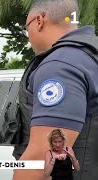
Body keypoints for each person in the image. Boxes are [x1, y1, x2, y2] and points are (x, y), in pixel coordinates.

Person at [13, 0, 98, 179]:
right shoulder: (89, 57)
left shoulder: (60, 66)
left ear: (39, 21)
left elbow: (41, 161)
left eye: (25, 27)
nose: (28, 34)